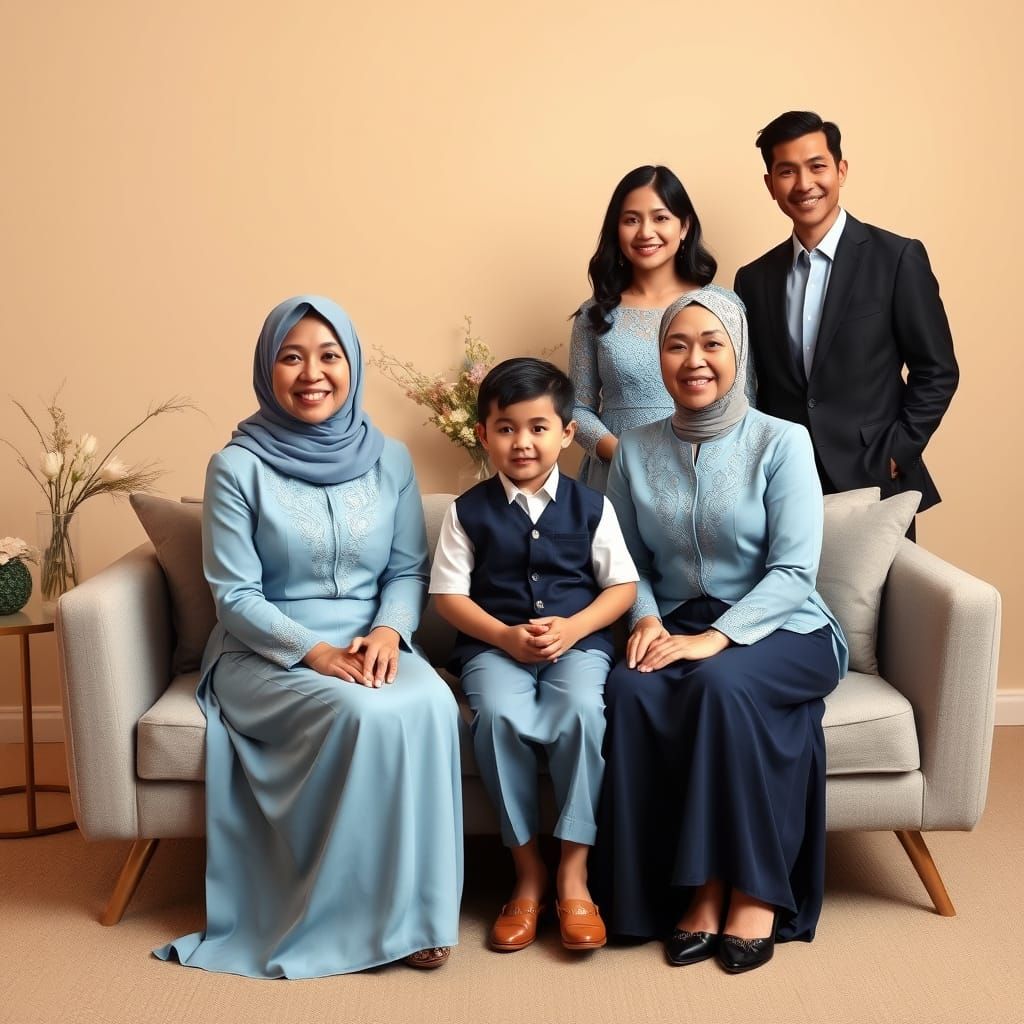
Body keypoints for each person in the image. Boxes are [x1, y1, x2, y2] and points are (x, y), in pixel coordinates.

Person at [155, 296, 463, 978]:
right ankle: (356, 920)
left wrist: (388, 630)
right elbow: (234, 596)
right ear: (268, 369)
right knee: (357, 712)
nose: (312, 373)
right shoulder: (235, 467)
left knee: (434, 705)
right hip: (265, 653)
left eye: (329, 356)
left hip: (374, 642)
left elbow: (408, 568)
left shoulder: (391, 459)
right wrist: (316, 653)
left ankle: (421, 919)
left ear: (351, 363)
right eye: (291, 357)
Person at [592, 288, 849, 974]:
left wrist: (722, 636)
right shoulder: (636, 452)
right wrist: (645, 617)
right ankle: (669, 893)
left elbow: (795, 571)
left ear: (737, 353)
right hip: (677, 621)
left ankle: (749, 889)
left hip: (787, 627)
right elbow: (626, 560)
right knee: (630, 688)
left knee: (717, 683)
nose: (694, 359)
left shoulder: (781, 441)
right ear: (659, 359)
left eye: (712, 344)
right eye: (677, 345)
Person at [430, 358, 638, 954]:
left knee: (583, 714)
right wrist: (503, 637)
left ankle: (574, 872)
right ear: (484, 434)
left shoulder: (593, 507)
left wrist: (573, 630)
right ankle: (527, 872)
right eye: (506, 428)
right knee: (495, 717)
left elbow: (621, 589)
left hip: (577, 647)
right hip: (495, 649)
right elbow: (448, 596)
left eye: (538, 427)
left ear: (567, 434)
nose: (523, 441)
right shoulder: (465, 511)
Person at [734, 111, 958, 536]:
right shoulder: (754, 278)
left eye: (817, 166)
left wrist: (897, 452)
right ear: (770, 186)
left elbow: (937, 370)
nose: (804, 184)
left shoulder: (897, 258)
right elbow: (756, 385)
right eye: (787, 172)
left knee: (881, 604)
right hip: (785, 484)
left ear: (841, 170)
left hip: (874, 478)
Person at [568, 164, 743, 492]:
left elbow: (744, 399)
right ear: (616, 230)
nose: (645, 232)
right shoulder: (594, 314)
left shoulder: (722, 306)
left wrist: (708, 457)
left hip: (703, 472)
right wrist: (623, 456)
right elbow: (578, 408)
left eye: (660, 218)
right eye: (631, 220)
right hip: (616, 475)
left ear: (684, 226)